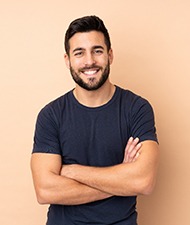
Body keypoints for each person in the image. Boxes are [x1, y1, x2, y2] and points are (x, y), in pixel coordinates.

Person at [31, 15, 159, 225]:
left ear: (110, 55)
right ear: (68, 60)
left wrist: (71, 171)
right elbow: (45, 190)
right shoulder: (51, 115)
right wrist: (120, 179)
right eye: (79, 53)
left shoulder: (137, 109)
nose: (89, 61)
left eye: (97, 51)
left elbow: (143, 181)